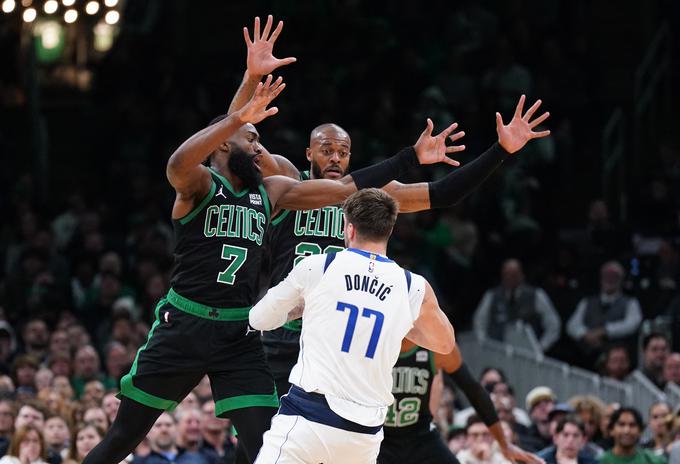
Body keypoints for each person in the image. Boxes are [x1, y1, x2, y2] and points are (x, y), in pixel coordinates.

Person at [83, 16, 463, 464]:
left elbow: (344, 191)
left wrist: (410, 157)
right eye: (252, 138)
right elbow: (180, 158)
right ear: (224, 145)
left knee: (269, 449)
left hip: (238, 335)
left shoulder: (273, 192)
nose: (261, 148)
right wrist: (242, 98)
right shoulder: (198, 186)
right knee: (122, 440)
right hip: (183, 327)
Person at [227, 16, 551, 400]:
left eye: (343, 151)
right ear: (308, 152)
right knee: (260, 445)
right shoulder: (287, 178)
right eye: (326, 149)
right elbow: (233, 139)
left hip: (334, 334)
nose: (335, 157)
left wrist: (501, 151)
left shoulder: (366, 193)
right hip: (282, 331)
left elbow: (444, 192)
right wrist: (250, 79)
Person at [249, 188, 457, 462]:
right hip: (364, 435)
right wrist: (400, 322)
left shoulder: (319, 266)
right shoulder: (412, 286)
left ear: (348, 228)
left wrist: (299, 311)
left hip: (309, 419)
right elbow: (444, 343)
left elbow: (259, 318)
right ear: (389, 230)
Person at [378, 340, 540, 464]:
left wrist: (504, 443)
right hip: (380, 437)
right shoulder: (375, 343)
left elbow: (473, 389)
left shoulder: (435, 345)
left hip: (420, 436)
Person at [473, 258, 561, 352]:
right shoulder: (492, 295)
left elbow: (553, 325)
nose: (509, 278)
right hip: (496, 351)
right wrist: (483, 343)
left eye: (513, 275)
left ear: (521, 275)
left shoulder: (536, 295)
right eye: (506, 275)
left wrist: (540, 348)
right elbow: (479, 321)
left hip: (524, 354)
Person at [566, 262, 642, 369]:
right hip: (585, 359)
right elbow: (571, 325)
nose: (610, 279)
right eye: (607, 276)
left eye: (614, 277)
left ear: (621, 280)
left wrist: (605, 331)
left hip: (617, 362)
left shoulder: (631, 303)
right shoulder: (587, 302)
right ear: (601, 278)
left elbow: (632, 324)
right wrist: (586, 334)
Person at [599, 407, 666, 464]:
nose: (627, 431)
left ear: (640, 431)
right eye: (621, 424)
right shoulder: (600, 461)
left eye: (632, 425)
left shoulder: (654, 461)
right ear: (611, 430)